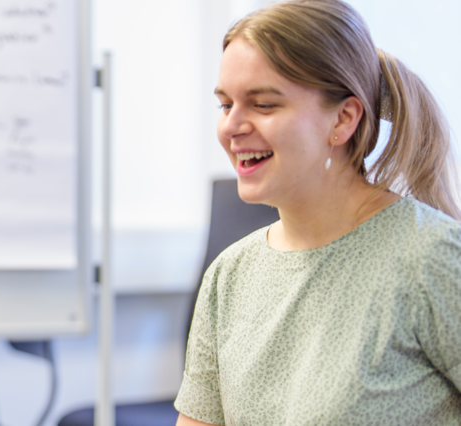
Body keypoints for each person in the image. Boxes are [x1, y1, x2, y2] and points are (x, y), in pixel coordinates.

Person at [175, 0, 461, 424]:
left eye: (264, 104)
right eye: (225, 104)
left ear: (343, 119)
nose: (231, 126)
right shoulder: (229, 277)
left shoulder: (431, 258)